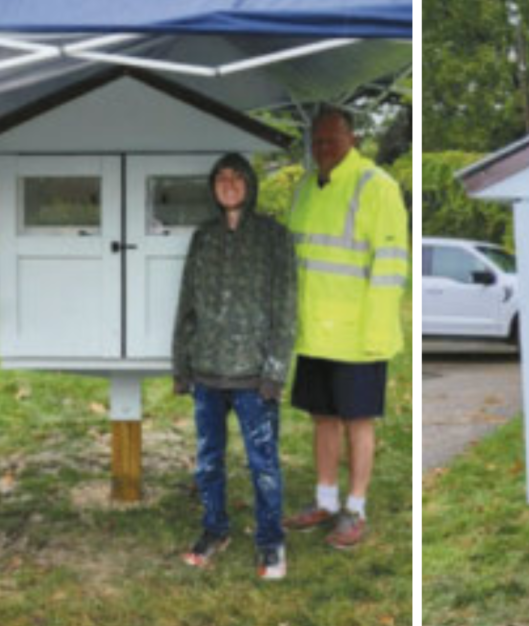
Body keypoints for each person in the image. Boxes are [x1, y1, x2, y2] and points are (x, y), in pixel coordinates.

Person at [283, 107, 408, 549]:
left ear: (353, 139)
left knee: (358, 420)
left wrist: (375, 333)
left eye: (332, 140)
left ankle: (355, 510)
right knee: (323, 418)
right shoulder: (304, 188)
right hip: (314, 332)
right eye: (316, 141)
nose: (323, 148)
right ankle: (324, 500)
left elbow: (391, 267)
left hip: (358, 335)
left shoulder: (378, 187)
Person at [171, 153, 296, 580]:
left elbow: (286, 306)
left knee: (263, 463)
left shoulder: (273, 237)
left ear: (250, 184)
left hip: (253, 375)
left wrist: (274, 371)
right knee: (208, 460)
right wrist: (181, 364)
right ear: (213, 186)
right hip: (207, 370)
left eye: (236, 177)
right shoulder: (203, 238)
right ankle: (215, 530)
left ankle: (270, 542)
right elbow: (187, 303)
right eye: (221, 178)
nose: (228, 184)